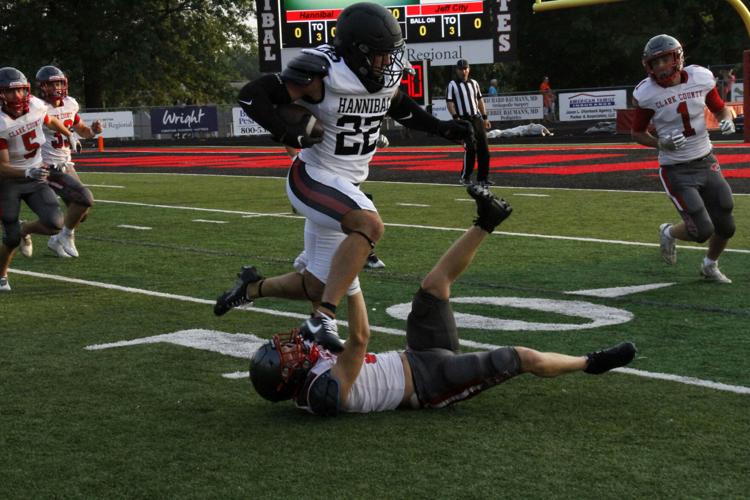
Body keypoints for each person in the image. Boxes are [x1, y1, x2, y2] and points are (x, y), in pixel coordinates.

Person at [247, 185, 637, 415]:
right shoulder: (321, 393)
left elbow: (326, 318)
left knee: (432, 287)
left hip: (415, 355)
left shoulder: (309, 375)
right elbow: (360, 338)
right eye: (288, 356)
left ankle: (487, 221)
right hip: (430, 385)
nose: (293, 347)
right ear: (289, 380)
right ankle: (592, 363)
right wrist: (350, 281)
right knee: (518, 358)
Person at [233, 2, 473, 342]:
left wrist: (442, 128)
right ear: (357, 51)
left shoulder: (380, 77)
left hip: (345, 185)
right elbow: (251, 95)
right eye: (380, 54)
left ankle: (252, 287)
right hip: (312, 177)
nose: (387, 62)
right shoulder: (322, 71)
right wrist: (290, 134)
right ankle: (323, 318)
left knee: (315, 284)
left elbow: (400, 106)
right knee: (369, 224)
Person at [631, 34, 736, 283]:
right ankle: (668, 231)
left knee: (726, 222)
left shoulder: (699, 78)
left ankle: (710, 265)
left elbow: (720, 107)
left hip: (705, 158)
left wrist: (727, 119)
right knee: (701, 230)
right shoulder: (648, 93)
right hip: (676, 168)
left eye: (663, 60)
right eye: (654, 63)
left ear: (677, 57)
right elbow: (636, 132)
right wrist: (660, 143)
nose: (659, 67)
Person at [0, 67, 81, 291]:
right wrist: (26, 172)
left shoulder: (36, 105)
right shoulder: (1, 122)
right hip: (8, 182)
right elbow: (2, 167)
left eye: (20, 91)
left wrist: (69, 133)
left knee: (55, 224)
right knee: (11, 238)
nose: (16, 97)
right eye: (9, 92)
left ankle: (25, 229)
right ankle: (1, 275)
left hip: (35, 175)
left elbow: (50, 120)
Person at [18, 65, 101, 259]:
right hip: (47, 166)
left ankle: (52, 237)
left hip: (66, 164)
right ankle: (58, 236)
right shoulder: (36, 107)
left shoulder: (70, 104)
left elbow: (81, 129)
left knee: (82, 212)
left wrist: (94, 131)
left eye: (59, 83)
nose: (57, 87)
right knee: (80, 202)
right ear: (42, 86)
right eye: (52, 84)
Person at [446, 59, 492, 187]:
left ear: (469, 69)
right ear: (457, 71)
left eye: (465, 68)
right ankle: (465, 177)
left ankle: (483, 178)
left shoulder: (474, 83)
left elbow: (480, 100)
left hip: (476, 118)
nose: (463, 71)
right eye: (461, 69)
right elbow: (449, 102)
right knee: (471, 148)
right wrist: (456, 117)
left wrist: (485, 117)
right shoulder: (452, 85)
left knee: (484, 149)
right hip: (463, 120)